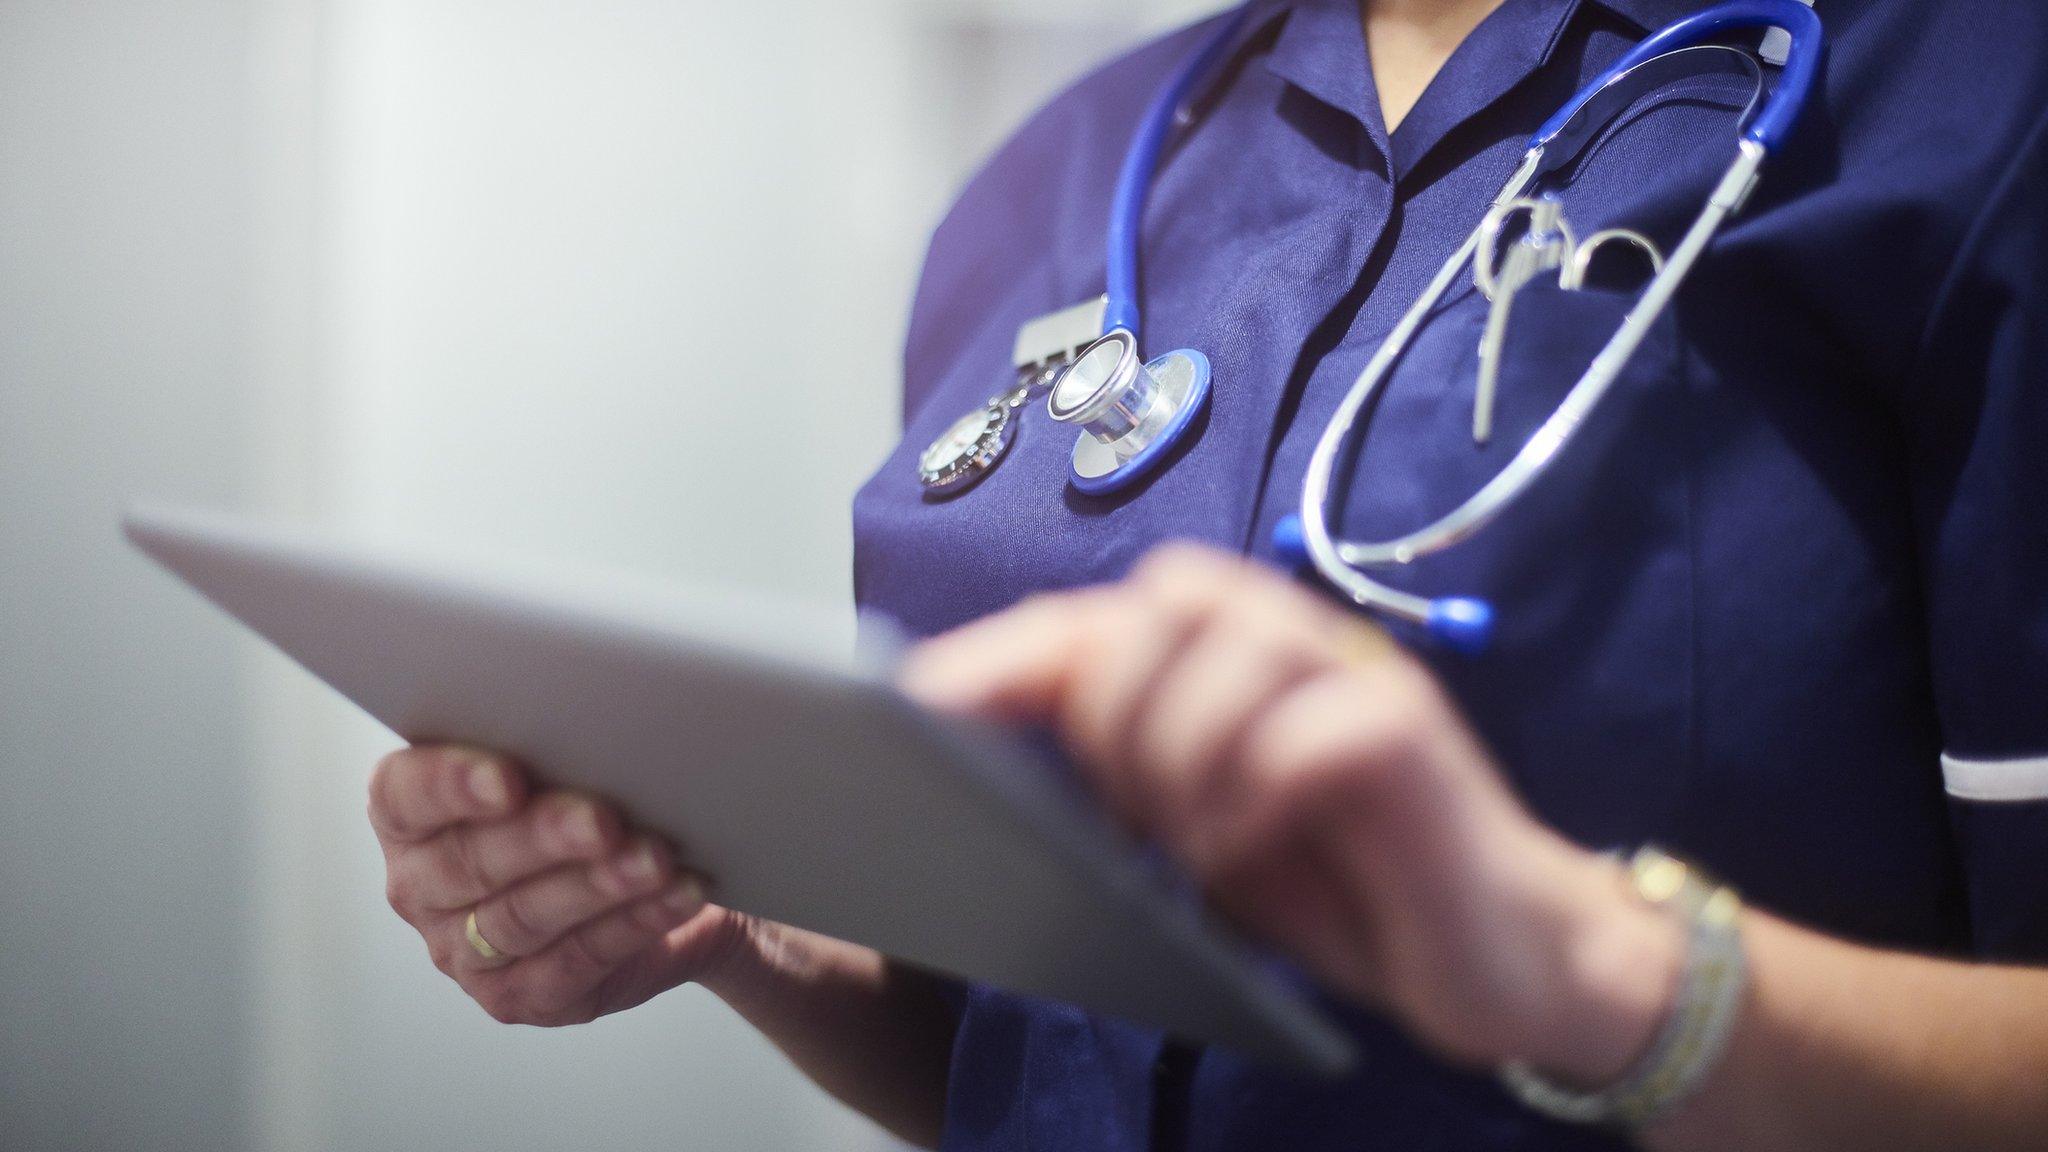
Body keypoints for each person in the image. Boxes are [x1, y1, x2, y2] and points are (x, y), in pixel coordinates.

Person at [364, 0, 2048, 1147]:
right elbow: (1027, 1052)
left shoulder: (1968, 104)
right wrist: (732, 933)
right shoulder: (1061, 177)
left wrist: (1595, 974)